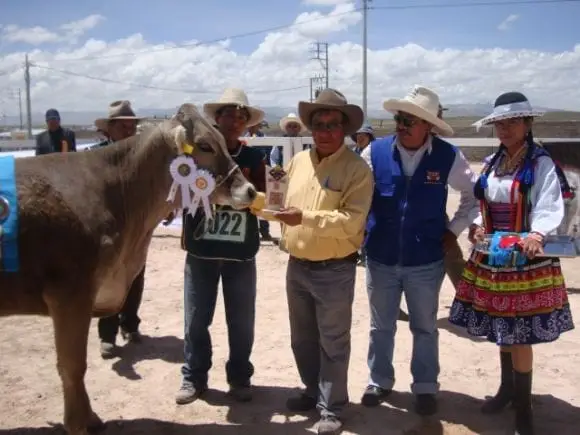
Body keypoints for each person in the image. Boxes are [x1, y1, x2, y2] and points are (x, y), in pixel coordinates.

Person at [448, 91, 575, 435]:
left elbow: (550, 205)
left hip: (525, 260)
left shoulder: (540, 163)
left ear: (528, 124)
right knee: (502, 327)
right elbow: (481, 204)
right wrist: (476, 229)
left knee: (520, 333)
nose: (504, 129)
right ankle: (507, 390)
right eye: (499, 123)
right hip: (493, 257)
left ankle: (523, 408)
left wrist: (536, 233)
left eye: (512, 122)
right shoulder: (491, 163)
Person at [359, 85, 479, 415]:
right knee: (380, 324)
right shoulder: (374, 153)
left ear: (429, 125)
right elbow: (356, 197)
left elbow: (473, 196)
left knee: (424, 326)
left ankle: (425, 387)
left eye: (411, 119)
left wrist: (453, 231)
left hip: (426, 261)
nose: (403, 124)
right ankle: (379, 381)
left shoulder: (448, 155)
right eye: (400, 117)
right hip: (381, 257)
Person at [274, 89, 374, 434]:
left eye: (333, 124)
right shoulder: (297, 162)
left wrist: (304, 218)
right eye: (319, 124)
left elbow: (351, 221)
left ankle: (332, 408)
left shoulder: (357, 169)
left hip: (334, 269)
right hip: (297, 265)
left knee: (332, 341)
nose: (325, 131)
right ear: (310, 127)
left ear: (345, 128)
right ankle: (312, 390)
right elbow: (279, 203)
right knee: (302, 338)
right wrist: (250, 201)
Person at [176, 88, 266, 405]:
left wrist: (260, 203)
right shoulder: (192, 155)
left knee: (241, 321)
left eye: (242, 117)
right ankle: (194, 377)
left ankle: (240, 377)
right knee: (196, 318)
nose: (236, 121)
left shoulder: (254, 157)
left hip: (241, 251)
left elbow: (263, 200)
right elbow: (179, 191)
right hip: (202, 249)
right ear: (217, 118)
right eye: (230, 114)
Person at [91, 100, 146, 359]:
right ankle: (107, 334)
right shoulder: (95, 156)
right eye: (123, 126)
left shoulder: (142, 157)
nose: (128, 130)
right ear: (109, 128)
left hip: (137, 228)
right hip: (107, 229)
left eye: (131, 126)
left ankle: (130, 324)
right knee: (109, 280)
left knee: (134, 277)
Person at [244, 122, 277, 244]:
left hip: (261, 175)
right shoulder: (242, 140)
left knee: (262, 201)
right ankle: (249, 231)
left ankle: (264, 231)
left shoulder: (265, 140)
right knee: (247, 202)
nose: (252, 126)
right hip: (246, 174)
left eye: (255, 125)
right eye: (250, 124)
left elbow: (269, 157)